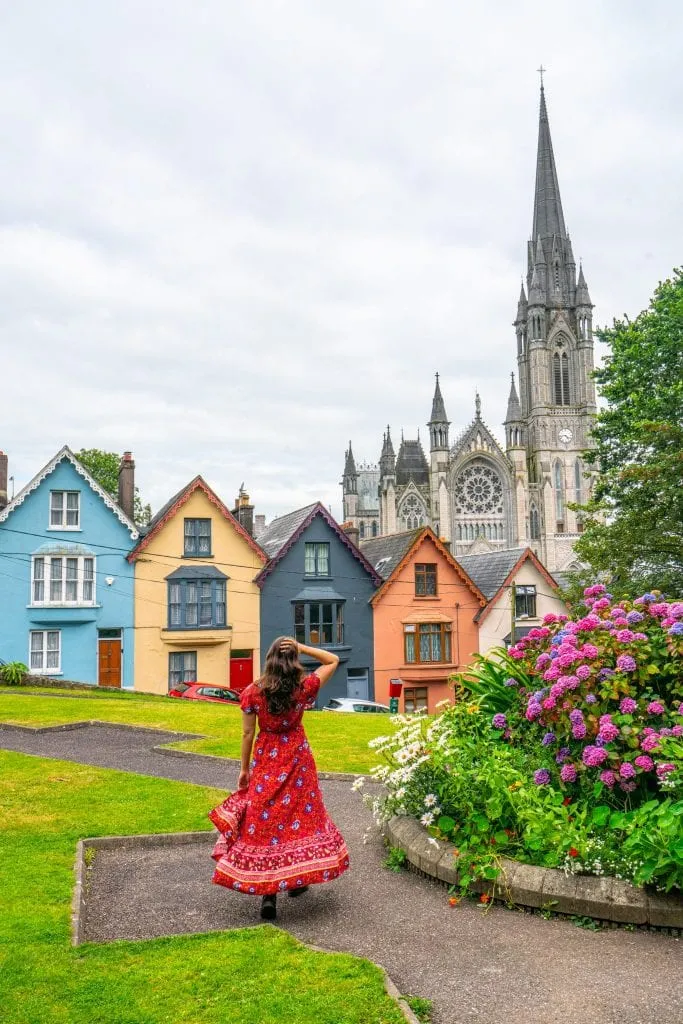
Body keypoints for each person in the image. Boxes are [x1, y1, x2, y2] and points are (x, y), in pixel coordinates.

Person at [209, 636, 350, 920]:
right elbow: (332, 660)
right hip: (298, 758)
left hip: (267, 760)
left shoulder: (252, 692)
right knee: (301, 817)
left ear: (269, 660)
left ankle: (268, 895)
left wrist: (244, 769)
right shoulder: (304, 688)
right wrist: (303, 647)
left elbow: (248, 733)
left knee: (265, 822)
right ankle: (297, 880)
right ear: (293, 659)